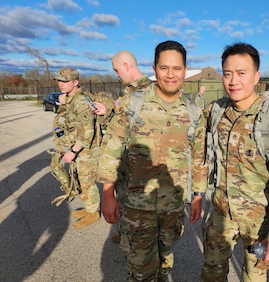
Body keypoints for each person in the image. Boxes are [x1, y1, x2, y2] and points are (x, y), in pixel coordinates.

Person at [96, 40, 206, 281]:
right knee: (140, 271)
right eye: (164, 68)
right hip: (137, 208)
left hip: (172, 209)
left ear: (185, 71)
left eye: (176, 68)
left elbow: (199, 157)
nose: (170, 75)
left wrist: (197, 195)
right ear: (154, 69)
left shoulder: (193, 112)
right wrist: (107, 195)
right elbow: (112, 149)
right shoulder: (132, 104)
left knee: (165, 262)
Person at [199, 42, 269, 281]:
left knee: (253, 278)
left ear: (256, 77)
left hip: (259, 223)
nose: (233, 80)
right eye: (227, 73)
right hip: (221, 214)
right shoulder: (216, 111)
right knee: (211, 274)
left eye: (241, 73)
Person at [92, 50, 152, 244]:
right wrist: (108, 115)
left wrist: (107, 192)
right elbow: (129, 126)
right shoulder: (132, 93)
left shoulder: (144, 94)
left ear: (126, 66)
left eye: (117, 70)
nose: (116, 75)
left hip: (138, 176)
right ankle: (127, 230)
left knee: (142, 237)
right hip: (128, 173)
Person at [52, 68, 101, 228]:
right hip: (78, 147)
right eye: (59, 80)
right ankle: (88, 208)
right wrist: (63, 103)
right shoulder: (71, 99)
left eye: (65, 81)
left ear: (75, 82)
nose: (61, 84)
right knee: (79, 179)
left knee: (87, 182)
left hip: (87, 149)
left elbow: (88, 131)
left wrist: (73, 152)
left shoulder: (80, 102)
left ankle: (93, 213)